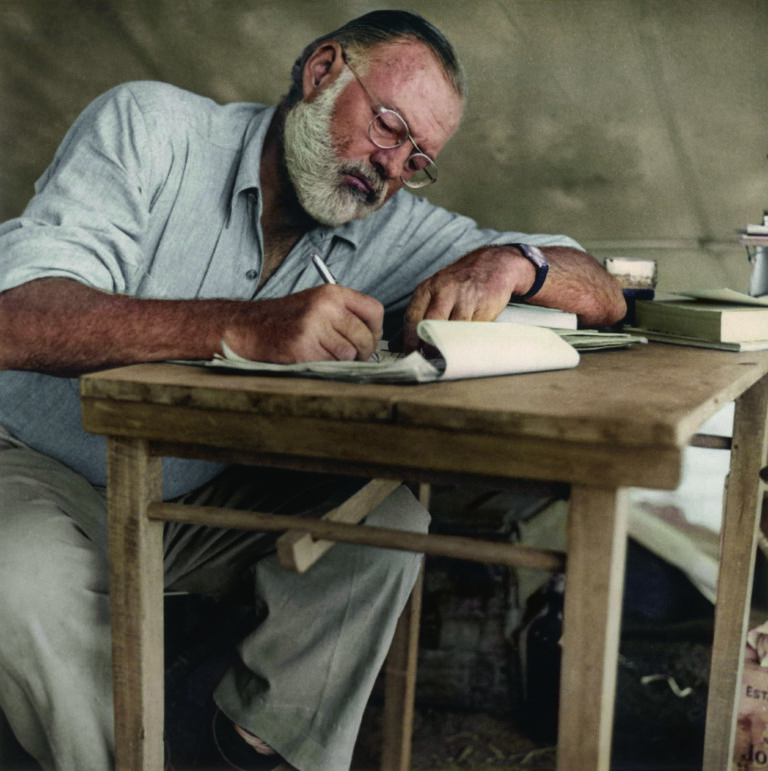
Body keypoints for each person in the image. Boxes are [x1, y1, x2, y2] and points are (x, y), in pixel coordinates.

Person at [0, 9, 625, 771]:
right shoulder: (152, 126)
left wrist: (513, 262)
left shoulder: (388, 223)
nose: (392, 167)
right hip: (35, 463)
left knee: (387, 527)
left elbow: (601, 287)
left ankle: (255, 749)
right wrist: (244, 327)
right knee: (19, 573)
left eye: (418, 159)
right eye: (389, 127)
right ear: (323, 71)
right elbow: (18, 318)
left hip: (190, 495)